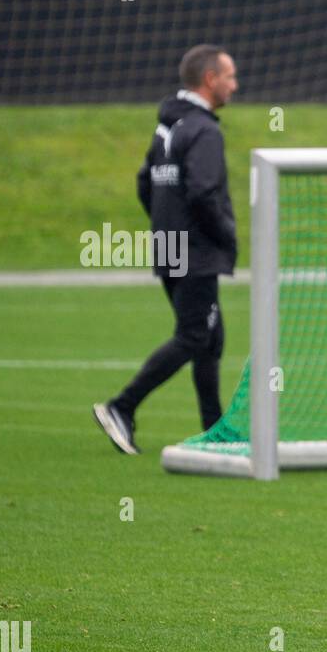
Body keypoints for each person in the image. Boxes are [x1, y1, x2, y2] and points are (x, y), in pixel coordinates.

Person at [93, 44, 239, 454]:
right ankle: (122, 406)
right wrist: (226, 235)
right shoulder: (205, 130)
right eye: (230, 76)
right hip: (195, 250)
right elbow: (204, 192)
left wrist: (167, 226)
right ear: (210, 80)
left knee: (211, 338)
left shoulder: (167, 128)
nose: (235, 85)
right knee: (195, 335)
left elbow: (146, 183)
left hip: (170, 246)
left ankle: (215, 430)